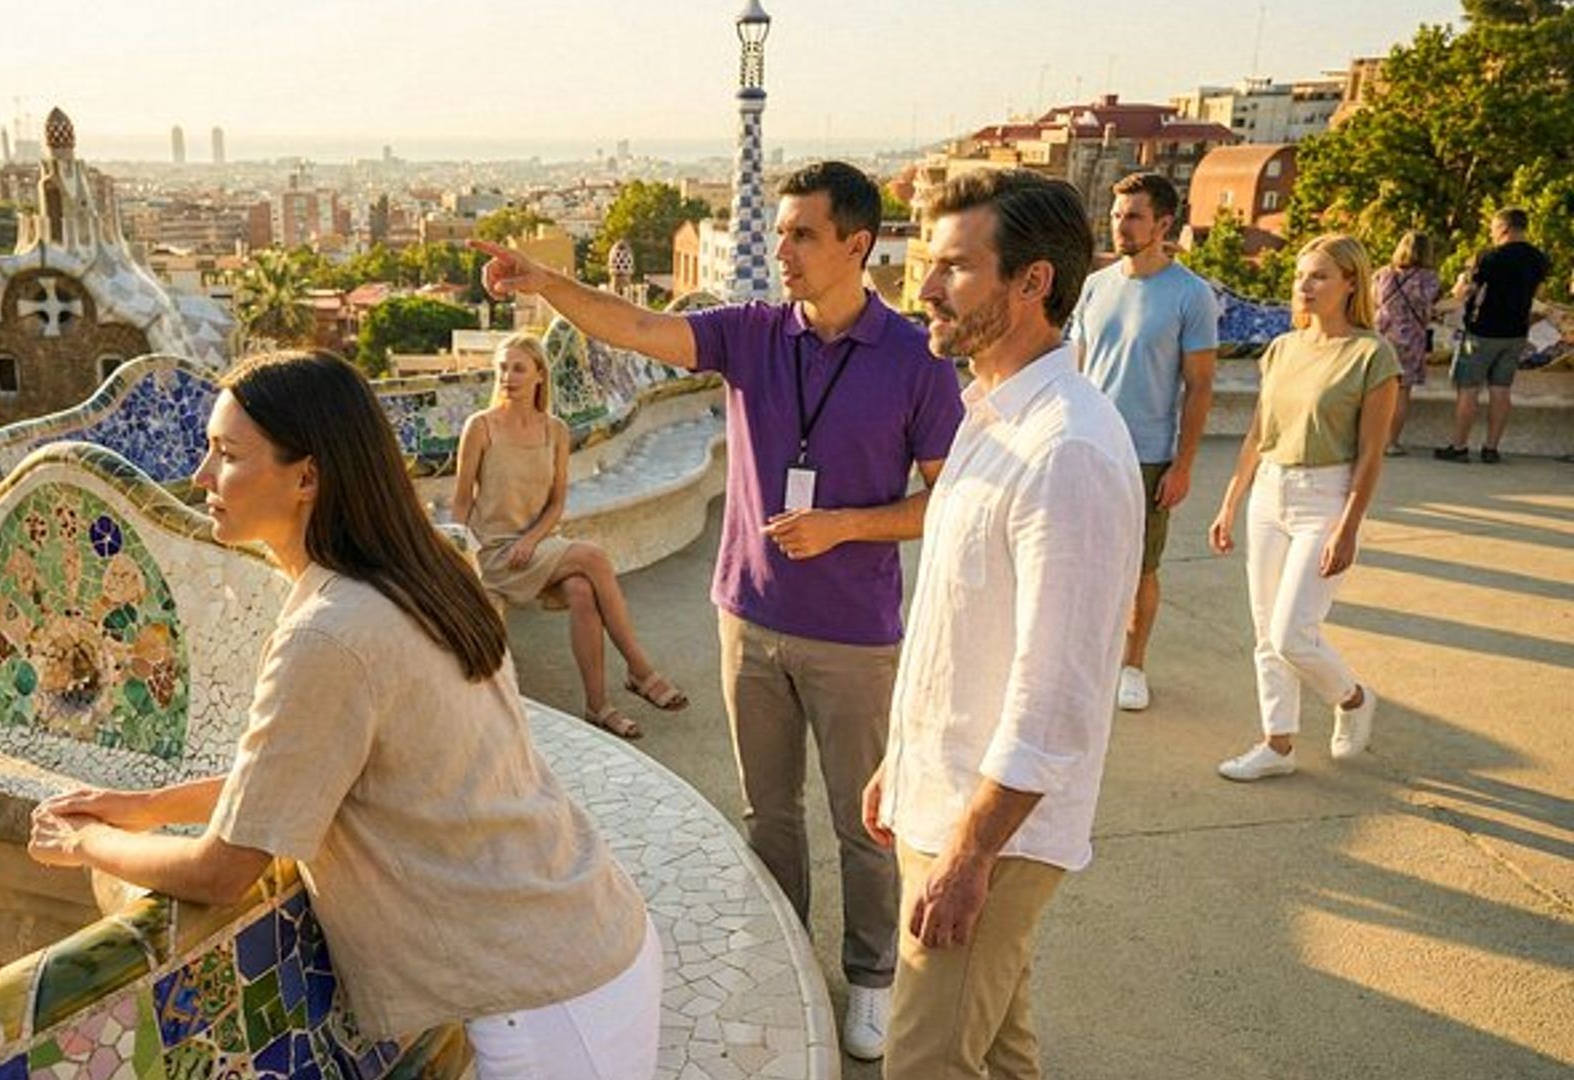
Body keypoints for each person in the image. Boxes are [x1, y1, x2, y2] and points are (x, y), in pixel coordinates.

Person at [27, 351, 662, 1078]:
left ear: (308, 477)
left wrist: (86, 844)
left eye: (227, 455)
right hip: (589, 937)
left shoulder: (329, 633)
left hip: (551, 1004)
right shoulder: (422, 571)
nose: (202, 477)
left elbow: (223, 870)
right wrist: (146, 806)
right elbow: (309, 774)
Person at [472, 160, 965, 1062]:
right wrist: (546, 283)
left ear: (858, 244)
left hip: (855, 636)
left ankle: (870, 977)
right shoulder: (751, 334)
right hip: (749, 615)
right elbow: (641, 326)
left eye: (802, 234)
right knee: (767, 815)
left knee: (864, 823)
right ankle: (782, 953)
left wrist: (847, 525)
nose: (781, 248)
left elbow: (950, 498)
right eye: (778, 231)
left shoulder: (915, 362)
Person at [861, 169, 1141, 1078]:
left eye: (954, 269)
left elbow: (1054, 692)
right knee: (1003, 1052)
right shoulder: (990, 412)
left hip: (992, 835)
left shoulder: (1066, 450)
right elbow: (960, 626)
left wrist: (970, 854)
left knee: (924, 1064)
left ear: (1033, 283)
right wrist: (900, 766)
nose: (925, 289)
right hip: (946, 803)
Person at [1210, 235, 1398, 782]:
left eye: (1318, 276)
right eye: (1300, 275)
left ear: (1349, 284)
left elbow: (1370, 454)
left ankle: (1354, 698)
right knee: (1267, 632)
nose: (1304, 285)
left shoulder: (1371, 355)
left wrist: (1349, 525)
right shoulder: (1282, 349)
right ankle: (1277, 744)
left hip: (1326, 498)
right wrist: (1229, 503)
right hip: (1269, 492)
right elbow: (1257, 434)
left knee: (1295, 632)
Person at [451, 331, 686, 739]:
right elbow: (460, 504)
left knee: (581, 588)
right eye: (502, 368)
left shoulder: (555, 431)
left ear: (540, 375)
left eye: (518, 368)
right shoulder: (481, 427)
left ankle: (599, 706)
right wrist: (463, 563)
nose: (508, 376)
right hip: (493, 552)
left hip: (537, 545)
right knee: (592, 558)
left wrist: (531, 539)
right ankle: (640, 670)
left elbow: (557, 503)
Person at [1069, 171, 1218, 713]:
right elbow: (1077, 368)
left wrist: (1183, 465)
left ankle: (1133, 665)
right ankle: (1086, 659)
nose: (1120, 225)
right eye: (1116, 214)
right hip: (1087, 449)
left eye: (1133, 216)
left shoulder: (1191, 295)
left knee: (1139, 568)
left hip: (1148, 455)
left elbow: (1201, 386)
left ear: (1162, 223)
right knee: (1078, 560)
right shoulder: (1094, 285)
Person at [1437, 208, 1551, 463]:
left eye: (1492, 228)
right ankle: (1491, 448)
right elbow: (1540, 298)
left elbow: (1465, 292)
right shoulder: (1539, 259)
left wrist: (1460, 284)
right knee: (1501, 390)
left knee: (1468, 389)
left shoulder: (1489, 257)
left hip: (1482, 331)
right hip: (1516, 333)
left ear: (1503, 228)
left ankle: (1459, 446)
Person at [1371, 231, 1441, 457]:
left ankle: (1368, 441)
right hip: (1410, 338)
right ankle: (1391, 442)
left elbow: (1373, 302)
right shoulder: (1428, 278)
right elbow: (1429, 306)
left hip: (1381, 335)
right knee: (1401, 393)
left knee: (1374, 390)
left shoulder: (1382, 273)